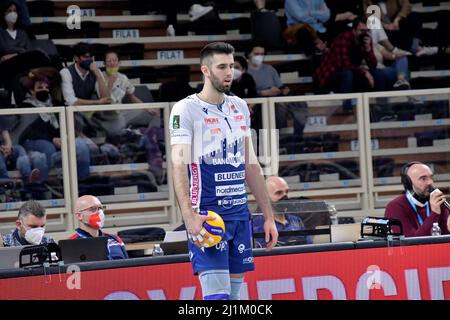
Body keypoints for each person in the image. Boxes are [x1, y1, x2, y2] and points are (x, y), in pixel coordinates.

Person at [169, 42, 278, 300]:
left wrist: (268, 216)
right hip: (208, 217)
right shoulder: (185, 109)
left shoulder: (239, 106)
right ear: (205, 70)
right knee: (217, 298)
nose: (229, 72)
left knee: (234, 297)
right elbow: (178, 164)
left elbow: (251, 164)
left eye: (231, 66)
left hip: (240, 216)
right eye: (221, 67)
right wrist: (189, 216)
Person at [18, 74, 91, 181]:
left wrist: (65, 137)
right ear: (31, 91)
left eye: (47, 88)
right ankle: (49, 182)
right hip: (33, 140)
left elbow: (66, 124)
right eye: (40, 88)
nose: (44, 90)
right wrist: (52, 139)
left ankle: (82, 182)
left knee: (80, 144)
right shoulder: (25, 106)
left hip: (57, 140)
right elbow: (30, 132)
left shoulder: (57, 105)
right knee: (48, 147)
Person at [313, 16, 385, 106]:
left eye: (367, 30)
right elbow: (343, 64)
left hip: (351, 71)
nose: (365, 33)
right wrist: (365, 72)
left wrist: (368, 49)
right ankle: (347, 108)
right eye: (362, 30)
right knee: (347, 74)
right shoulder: (343, 38)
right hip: (330, 73)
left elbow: (373, 65)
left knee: (378, 73)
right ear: (354, 31)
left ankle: (379, 108)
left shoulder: (366, 39)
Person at [384, 161, 450, 237]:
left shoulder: (438, 203)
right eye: (423, 178)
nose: (430, 182)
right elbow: (411, 244)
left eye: (431, 177)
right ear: (408, 183)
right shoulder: (395, 207)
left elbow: (445, 238)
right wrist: (434, 213)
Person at [0, 0, 51, 91]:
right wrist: (20, 53)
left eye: (15, 11)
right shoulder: (1, 32)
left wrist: (15, 54)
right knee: (38, 54)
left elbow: (29, 51)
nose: (13, 14)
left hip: (23, 65)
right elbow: (3, 55)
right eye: (9, 11)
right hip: (7, 66)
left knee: (40, 56)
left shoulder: (22, 32)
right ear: (3, 13)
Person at [252, 176, 312, 247]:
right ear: (265, 197)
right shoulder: (258, 224)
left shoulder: (296, 220)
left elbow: (309, 247)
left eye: (286, 192)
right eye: (279, 193)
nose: (285, 197)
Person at [69, 195, 129, 260]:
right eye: (93, 209)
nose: (100, 212)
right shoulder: (71, 244)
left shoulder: (115, 240)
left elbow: (128, 267)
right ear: (79, 216)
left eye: (101, 208)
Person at [60, 42, 111, 107]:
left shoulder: (96, 71)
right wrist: (97, 102)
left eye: (91, 57)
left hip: (90, 111)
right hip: (72, 111)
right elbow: (71, 101)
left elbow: (106, 99)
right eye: (86, 57)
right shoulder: (66, 72)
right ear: (76, 58)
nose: (89, 60)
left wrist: (98, 75)